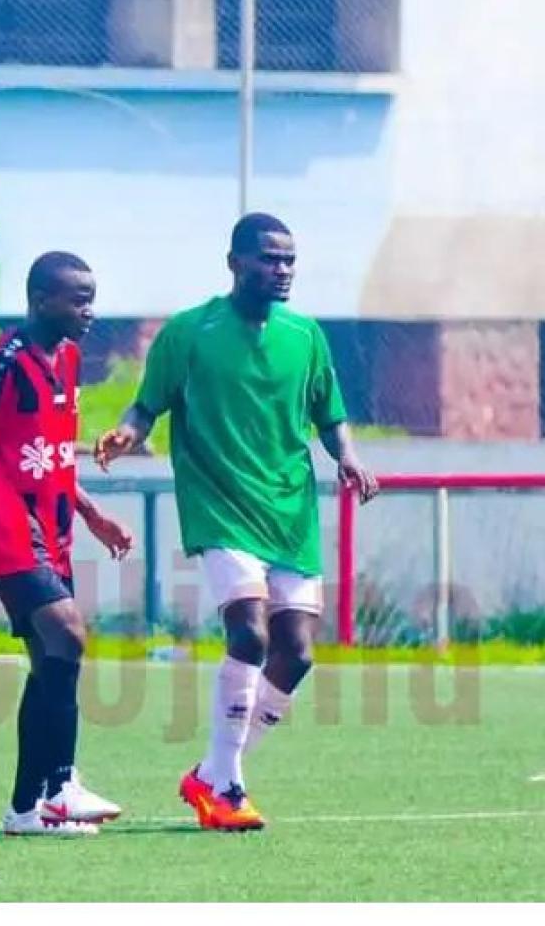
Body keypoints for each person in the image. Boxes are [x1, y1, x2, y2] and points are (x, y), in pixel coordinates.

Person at [95, 213, 379, 832]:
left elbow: (330, 414)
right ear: (235, 263)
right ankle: (226, 787)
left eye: (289, 260)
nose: (282, 270)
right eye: (269, 259)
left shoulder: (305, 336)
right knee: (249, 634)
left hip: (289, 512)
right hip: (219, 506)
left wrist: (348, 456)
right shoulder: (189, 332)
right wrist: (126, 433)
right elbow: (146, 406)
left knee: (296, 654)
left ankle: (213, 770)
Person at [0, 251, 132, 837]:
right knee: (69, 634)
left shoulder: (68, 359)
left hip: (53, 529)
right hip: (4, 524)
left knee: (50, 660)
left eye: (92, 299)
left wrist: (92, 514)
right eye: (79, 300)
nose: (89, 311)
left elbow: (54, 454)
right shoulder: (3, 362)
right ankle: (62, 784)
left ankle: (27, 809)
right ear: (42, 300)